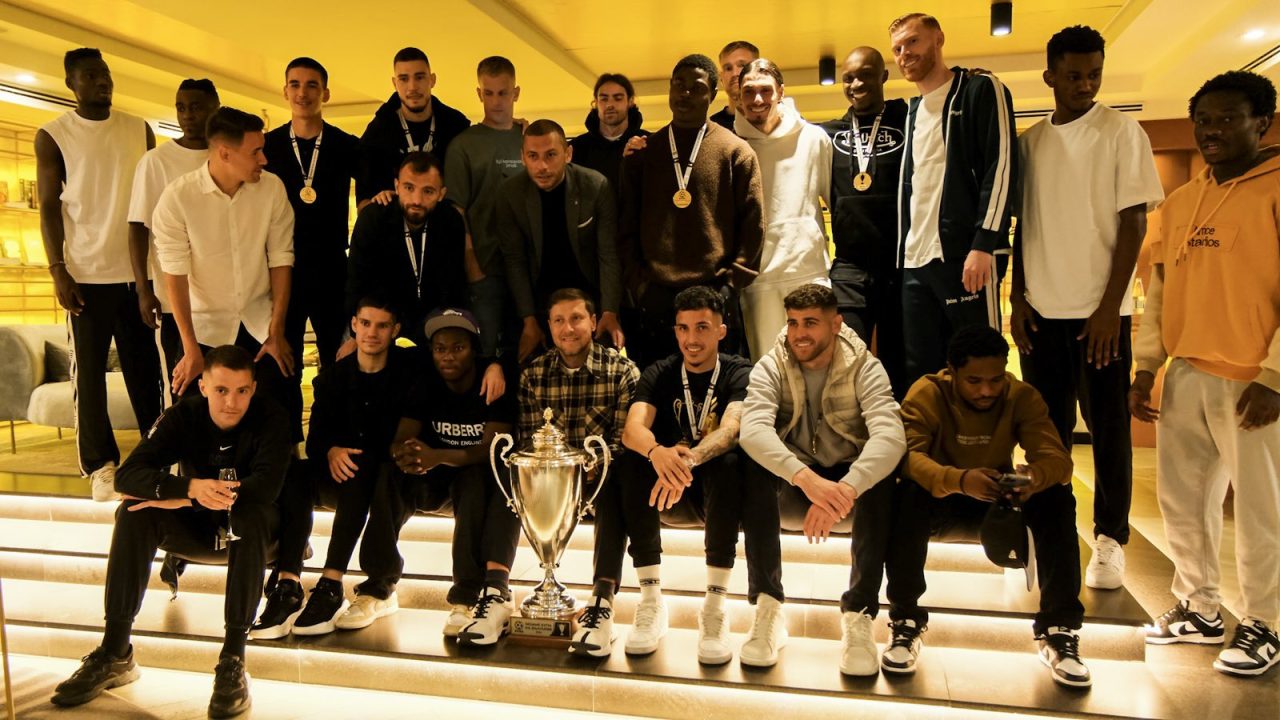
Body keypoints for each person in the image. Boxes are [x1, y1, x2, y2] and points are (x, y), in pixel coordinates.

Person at [49, 345, 291, 718]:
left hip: (260, 536)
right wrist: (189, 488)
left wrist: (187, 499)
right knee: (134, 512)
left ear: (253, 389)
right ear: (203, 386)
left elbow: (265, 489)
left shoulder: (272, 417)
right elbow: (128, 476)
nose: (231, 402)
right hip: (201, 531)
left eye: (242, 390)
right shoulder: (184, 414)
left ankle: (233, 660)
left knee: (249, 514)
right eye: (221, 390)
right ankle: (115, 651)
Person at [1132, 70, 1280, 678]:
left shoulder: (1275, 189)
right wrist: (1146, 366)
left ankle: (1266, 622)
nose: (1211, 130)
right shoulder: (1181, 202)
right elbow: (1159, 291)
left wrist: (1275, 375)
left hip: (1253, 379)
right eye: (1203, 120)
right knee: (1183, 500)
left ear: (1261, 123)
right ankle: (1199, 607)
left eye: (1226, 118)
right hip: (1188, 370)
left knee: (1262, 509)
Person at [1011, 26, 1163, 591]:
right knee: (1044, 430)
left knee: (1108, 430)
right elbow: (1024, 226)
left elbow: (1134, 223)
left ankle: (1110, 538)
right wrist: (1018, 294)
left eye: (1094, 74)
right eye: (1074, 75)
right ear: (1050, 76)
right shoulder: (1030, 143)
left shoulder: (1122, 132)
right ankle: (1047, 529)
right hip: (1041, 311)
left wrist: (1108, 309)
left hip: (1101, 316)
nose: (1085, 84)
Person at [895, 325, 1089, 687]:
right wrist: (959, 480)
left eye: (995, 379)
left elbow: (1058, 461)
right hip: (941, 498)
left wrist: (1033, 478)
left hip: (996, 502)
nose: (987, 390)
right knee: (905, 492)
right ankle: (905, 620)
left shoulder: (1021, 396)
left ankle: (1059, 628)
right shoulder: (927, 393)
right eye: (974, 381)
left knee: (1058, 496)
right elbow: (907, 458)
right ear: (952, 372)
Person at [739, 283, 905, 675]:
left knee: (883, 473)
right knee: (750, 463)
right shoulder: (773, 363)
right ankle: (768, 606)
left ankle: (859, 614)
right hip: (797, 485)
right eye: (793, 322)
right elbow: (752, 430)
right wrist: (807, 480)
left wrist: (846, 488)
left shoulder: (864, 365)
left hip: (849, 489)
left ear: (836, 324)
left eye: (810, 323)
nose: (799, 333)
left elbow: (891, 435)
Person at [619, 285, 782, 666]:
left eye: (702, 328)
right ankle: (651, 600)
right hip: (668, 493)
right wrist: (658, 453)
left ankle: (714, 606)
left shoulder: (740, 371)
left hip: (719, 493)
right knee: (631, 461)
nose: (691, 339)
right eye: (683, 328)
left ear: (722, 330)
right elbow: (632, 429)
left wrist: (686, 461)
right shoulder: (660, 371)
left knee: (729, 462)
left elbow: (732, 430)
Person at [336, 308, 520, 645]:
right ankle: (378, 588)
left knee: (474, 478)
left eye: (458, 348)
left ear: (474, 350)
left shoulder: (492, 382)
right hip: (431, 475)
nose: (448, 356)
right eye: (440, 349)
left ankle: (466, 597)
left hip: (471, 477)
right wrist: (405, 453)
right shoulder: (425, 381)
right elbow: (403, 435)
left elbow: (490, 450)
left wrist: (438, 456)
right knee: (389, 471)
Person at [248, 296, 418, 638]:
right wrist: (330, 451)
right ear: (353, 325)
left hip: (386, 475)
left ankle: (331, 583)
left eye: (382, 325)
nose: (372, 333)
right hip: (343, 471)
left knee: (360, 465)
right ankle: (288, 582)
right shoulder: (333, 377)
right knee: (296, 472)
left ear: (395, 330)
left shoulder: (409, 369)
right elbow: (315, 440)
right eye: (365, 323)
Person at [35, 47, 163, 500]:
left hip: (138, 276)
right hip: (85, 275)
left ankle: (154, 454)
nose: (102, 81)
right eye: (90, 75)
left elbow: (151, 201)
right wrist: (58, 270)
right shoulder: (53, 135)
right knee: (88, 377)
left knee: (147, 373)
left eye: (105, 74)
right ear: (71, 84)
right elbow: (48, 207)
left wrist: (151, 277)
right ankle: (100, 465)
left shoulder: (139, 128)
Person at [889, 13, 1018, 386]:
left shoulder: (980, 89)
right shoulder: (912, 112)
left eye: (913, 41)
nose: (904, 53)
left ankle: (990, 432)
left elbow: (1002, 166)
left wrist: (984, 242)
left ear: (938, 39)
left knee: (980, 367)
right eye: (897, 48)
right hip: (915, 261)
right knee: (923, 375)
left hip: (966, 256)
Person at [618, 53, 765, 368]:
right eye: (678, 85)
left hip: (715, 297)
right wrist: (640, 286)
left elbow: (753, 227)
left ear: (712, 94)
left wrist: (730, 286)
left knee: (718, 392)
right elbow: (626, 226)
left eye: (696, 87)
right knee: (658, 391)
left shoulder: (736, 152)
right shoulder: (643, 154)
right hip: (656, 300)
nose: (685, 94)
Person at [151, 106, 295, 421]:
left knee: (274, 419)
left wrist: (277, 330)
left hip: (259, 325)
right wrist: (190, 348)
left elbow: (281, 259)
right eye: (255, 152)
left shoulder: (272, 189)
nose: (264, 160)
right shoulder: (178, 198)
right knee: (194, 425)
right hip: (203, 329)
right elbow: (175, 275)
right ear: (225, 153)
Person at [517, 288, 639, 657]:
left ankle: (602, 600)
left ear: (593, 322)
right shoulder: (534, 375)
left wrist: (586, 467)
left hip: (600, 478)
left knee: (618, 479)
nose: (567, 328)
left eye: (576, 319)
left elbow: (622, 443)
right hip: (549, 484)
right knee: (512, 484)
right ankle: (492, 589)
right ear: (549, 326)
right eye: (559, 320)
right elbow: (529, 443)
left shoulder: (622, 372)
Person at [344, 152, 506, 399]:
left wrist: (466, 348)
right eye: (409, 188)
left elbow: (453, 288)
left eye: (428, 191)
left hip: (433, 319)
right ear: (396, 186)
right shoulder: (374, 218)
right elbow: (357, 283)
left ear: (441, 194)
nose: (416, 200)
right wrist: (355, 334)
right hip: (384, 317)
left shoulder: (450, 220)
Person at [264, 57, 362, 437]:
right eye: (295, 84)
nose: (302, 93)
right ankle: (287, 444)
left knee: (337, 359)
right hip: (281, 268)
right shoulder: (269, 147)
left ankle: (331, 441)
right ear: (284, 91)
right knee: (283, 361)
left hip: (332, 267)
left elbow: (378, 181)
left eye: (311, 85)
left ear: (326, 93)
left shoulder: (345, 145)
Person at [820, 47, 909, 397]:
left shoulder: (909, 120)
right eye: (849, 78)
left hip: (900, 265)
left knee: (899, 363)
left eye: (866, 75)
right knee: (846, 362)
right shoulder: (828, 134)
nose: (856, 84)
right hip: (849, 268)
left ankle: (900, 429)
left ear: (884, 76)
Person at [498, 119, 623, 362]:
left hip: (590, 295)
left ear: (568, 154)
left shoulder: (595, 186)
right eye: (533, 156)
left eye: (551, 155)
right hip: (538, 297)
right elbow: (514, 260)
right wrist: (528, 319)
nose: (542, 166)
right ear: (522, 158)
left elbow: (609, 254)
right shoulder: (510, 193)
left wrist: (610, 311)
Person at [734, 59, 833, 362]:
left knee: (819, 366)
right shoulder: (732, 146)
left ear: (781, 92)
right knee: (769, 371)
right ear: (738, 96)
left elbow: (837, 206)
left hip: (809, 271)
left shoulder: (814, 139)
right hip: (758, 281)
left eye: (765, 90)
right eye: (749, 91)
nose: (757, 99)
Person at [128, 78, 220, 401]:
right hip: (176, 302)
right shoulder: (156, 162)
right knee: (185, 391)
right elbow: (138, 227)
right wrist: (143, 288)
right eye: (181, 108)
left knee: (228, 390)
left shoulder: (228, 155)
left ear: (215, 108)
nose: (188, 115)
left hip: (228, 302)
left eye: (196, 107)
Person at [445, 56, 527, 358]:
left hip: (528, 270)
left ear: (515, 93)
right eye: (488, 93)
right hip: (486, 271)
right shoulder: (463, 145)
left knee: (528, 353)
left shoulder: (528, 139)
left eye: (503, 93)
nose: (496, 101)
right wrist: (473, 268)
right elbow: (456, 212)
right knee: (485, 353)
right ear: (479, 94)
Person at [357, 47, 470, 208]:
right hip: (394, 222)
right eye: (404, 79)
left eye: (419, 77)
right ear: (395, 83)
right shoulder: (377, 133)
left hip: (444, 221)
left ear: (432, 80)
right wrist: (379, 207)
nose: (412, 87)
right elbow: (363, 204)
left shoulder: (456, 126)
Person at [570, 73, 649, 192]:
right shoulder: (576, 149)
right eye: (604, 99)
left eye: (618, 98)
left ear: (630, 101)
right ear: (596, 102)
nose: (610, 105)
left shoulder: (647, 144)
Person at [710, 41, 759, 132]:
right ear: (721, 78)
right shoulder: (710, 129)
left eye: (742, 65)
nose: (735, 73)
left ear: (759, 72)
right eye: (728, 68)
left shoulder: (777, 121)